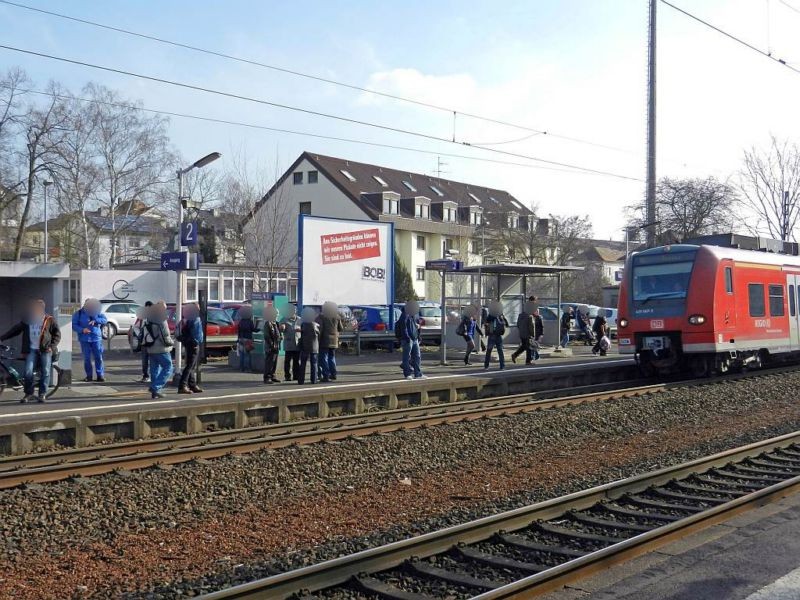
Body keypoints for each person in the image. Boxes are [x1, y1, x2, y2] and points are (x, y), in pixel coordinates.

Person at [0, 298, 61, 403]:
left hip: (45, 349)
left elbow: (57, 334)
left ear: (42, 308)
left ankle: (42, 394)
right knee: (28, 372)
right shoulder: (28, 319)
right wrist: (2, 338)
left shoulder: (49, 320)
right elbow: (15, 330)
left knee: (45, 372)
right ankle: (29, 394)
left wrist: (52, 346)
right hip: (31, 349)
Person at [72, 298, 108, 382]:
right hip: (84, 339)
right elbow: (74, 325)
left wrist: (96, 320)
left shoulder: (97, 312)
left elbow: (105, 320)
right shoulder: (79, 313)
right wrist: (82, 330)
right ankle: (89, 376)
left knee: (98, 357)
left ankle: (100, 375)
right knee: (87, 358)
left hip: (96, 338)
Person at [143, 301, 174, 399]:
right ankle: (155, 387)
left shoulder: (149, 318)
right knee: (168, 367)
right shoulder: (161, 319)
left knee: (154, 370)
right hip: (161, 348)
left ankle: (155, 392)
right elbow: (164, 335)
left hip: (150, 347)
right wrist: (172, 342)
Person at [176, 302, 204, 394]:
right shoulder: (195, 318)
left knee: (191, 365)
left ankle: (192, 384)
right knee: (190, 365)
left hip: (188, 343)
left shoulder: (187, 318)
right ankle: (182, 385)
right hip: (193, 344)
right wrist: (196, 342)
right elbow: (195, 333)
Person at [318, 301, 343, 382]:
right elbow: (341, 328)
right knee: (332, 357)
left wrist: (318, 339)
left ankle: (326, 375)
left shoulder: (322, 316)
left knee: (323, 358)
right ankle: (333, 374)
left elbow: (320, 329)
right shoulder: (337, 316)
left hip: (324, 340)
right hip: (334, 341)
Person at [129, 301, 153, 383]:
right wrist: (140, 335)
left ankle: (151, 376)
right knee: (145, 360)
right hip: (144, 342)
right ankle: (146, 376)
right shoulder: (142, 317)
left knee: (153, 360)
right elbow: (136, 327)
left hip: (152, 343)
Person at [400, 299, 423, 379]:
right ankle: (407, 374)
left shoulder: (415, 314)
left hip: (415, 338)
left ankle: (418, 374)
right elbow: (403, 326)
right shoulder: (405, 314)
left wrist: (418, 335)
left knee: (417, 356)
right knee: (407, 357)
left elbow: (418, 324)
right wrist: (407, 337)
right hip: (408, 339)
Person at [298, 307, 320, 385]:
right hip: (314, 346)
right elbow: (319, 335)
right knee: (314, 363)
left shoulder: (303, 324)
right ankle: (313, 380)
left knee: (303, 364)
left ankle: (301, 381)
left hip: (304, 346)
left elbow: (301, 334)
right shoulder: (316, 325)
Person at [483, 300, 507, 370]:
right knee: (500, 351)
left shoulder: (491, 314)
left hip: (492, 335)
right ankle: (502, 366)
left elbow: (486, 322)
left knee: (489, 351)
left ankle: (486, 366)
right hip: (498, 335)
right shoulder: (500, 314)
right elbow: (506, 323)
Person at [280, 304, 301, 382]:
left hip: (297, 343)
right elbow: (280, 329)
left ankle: (296, 375)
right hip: (289, 343)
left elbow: (304, 329)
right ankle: (287, 376)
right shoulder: (284, 319)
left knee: (296, 361)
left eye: (294, 311)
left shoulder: (300, 320)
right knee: (287, 361)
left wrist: (301, 329)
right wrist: (282, 328)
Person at [262, 305, 282, 384]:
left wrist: (281, 336)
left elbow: (278, 333)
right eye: (276, 313)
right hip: (270, 347)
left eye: (278, 313)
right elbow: (266, 336)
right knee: (269, 362)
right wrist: (272, 344)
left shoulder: (276, 323)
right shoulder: (268, 323)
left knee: (274, 362)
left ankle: (273, 376)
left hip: (276, 345)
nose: (277, 315)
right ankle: (267, 377)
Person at [511, 300, 535, 364]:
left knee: (524, 346)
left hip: (521, 334)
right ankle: (528, 361)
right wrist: (532, 335)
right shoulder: (530, 316)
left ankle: (515, 355)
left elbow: (518, 324)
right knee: (529, 347)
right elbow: (531, 327)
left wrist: (522, 330)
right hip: (527, 334)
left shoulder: (520, 315)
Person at [236, 305, 259, 373]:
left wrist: (238, 339)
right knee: (247, 355)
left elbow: (239, 331)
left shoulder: (240, 322)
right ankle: (248, 369)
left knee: (242, 355)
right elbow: (253, 329)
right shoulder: (250, 322)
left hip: (241, 339)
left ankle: (241, 368)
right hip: (248, 339)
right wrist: (259, 329)